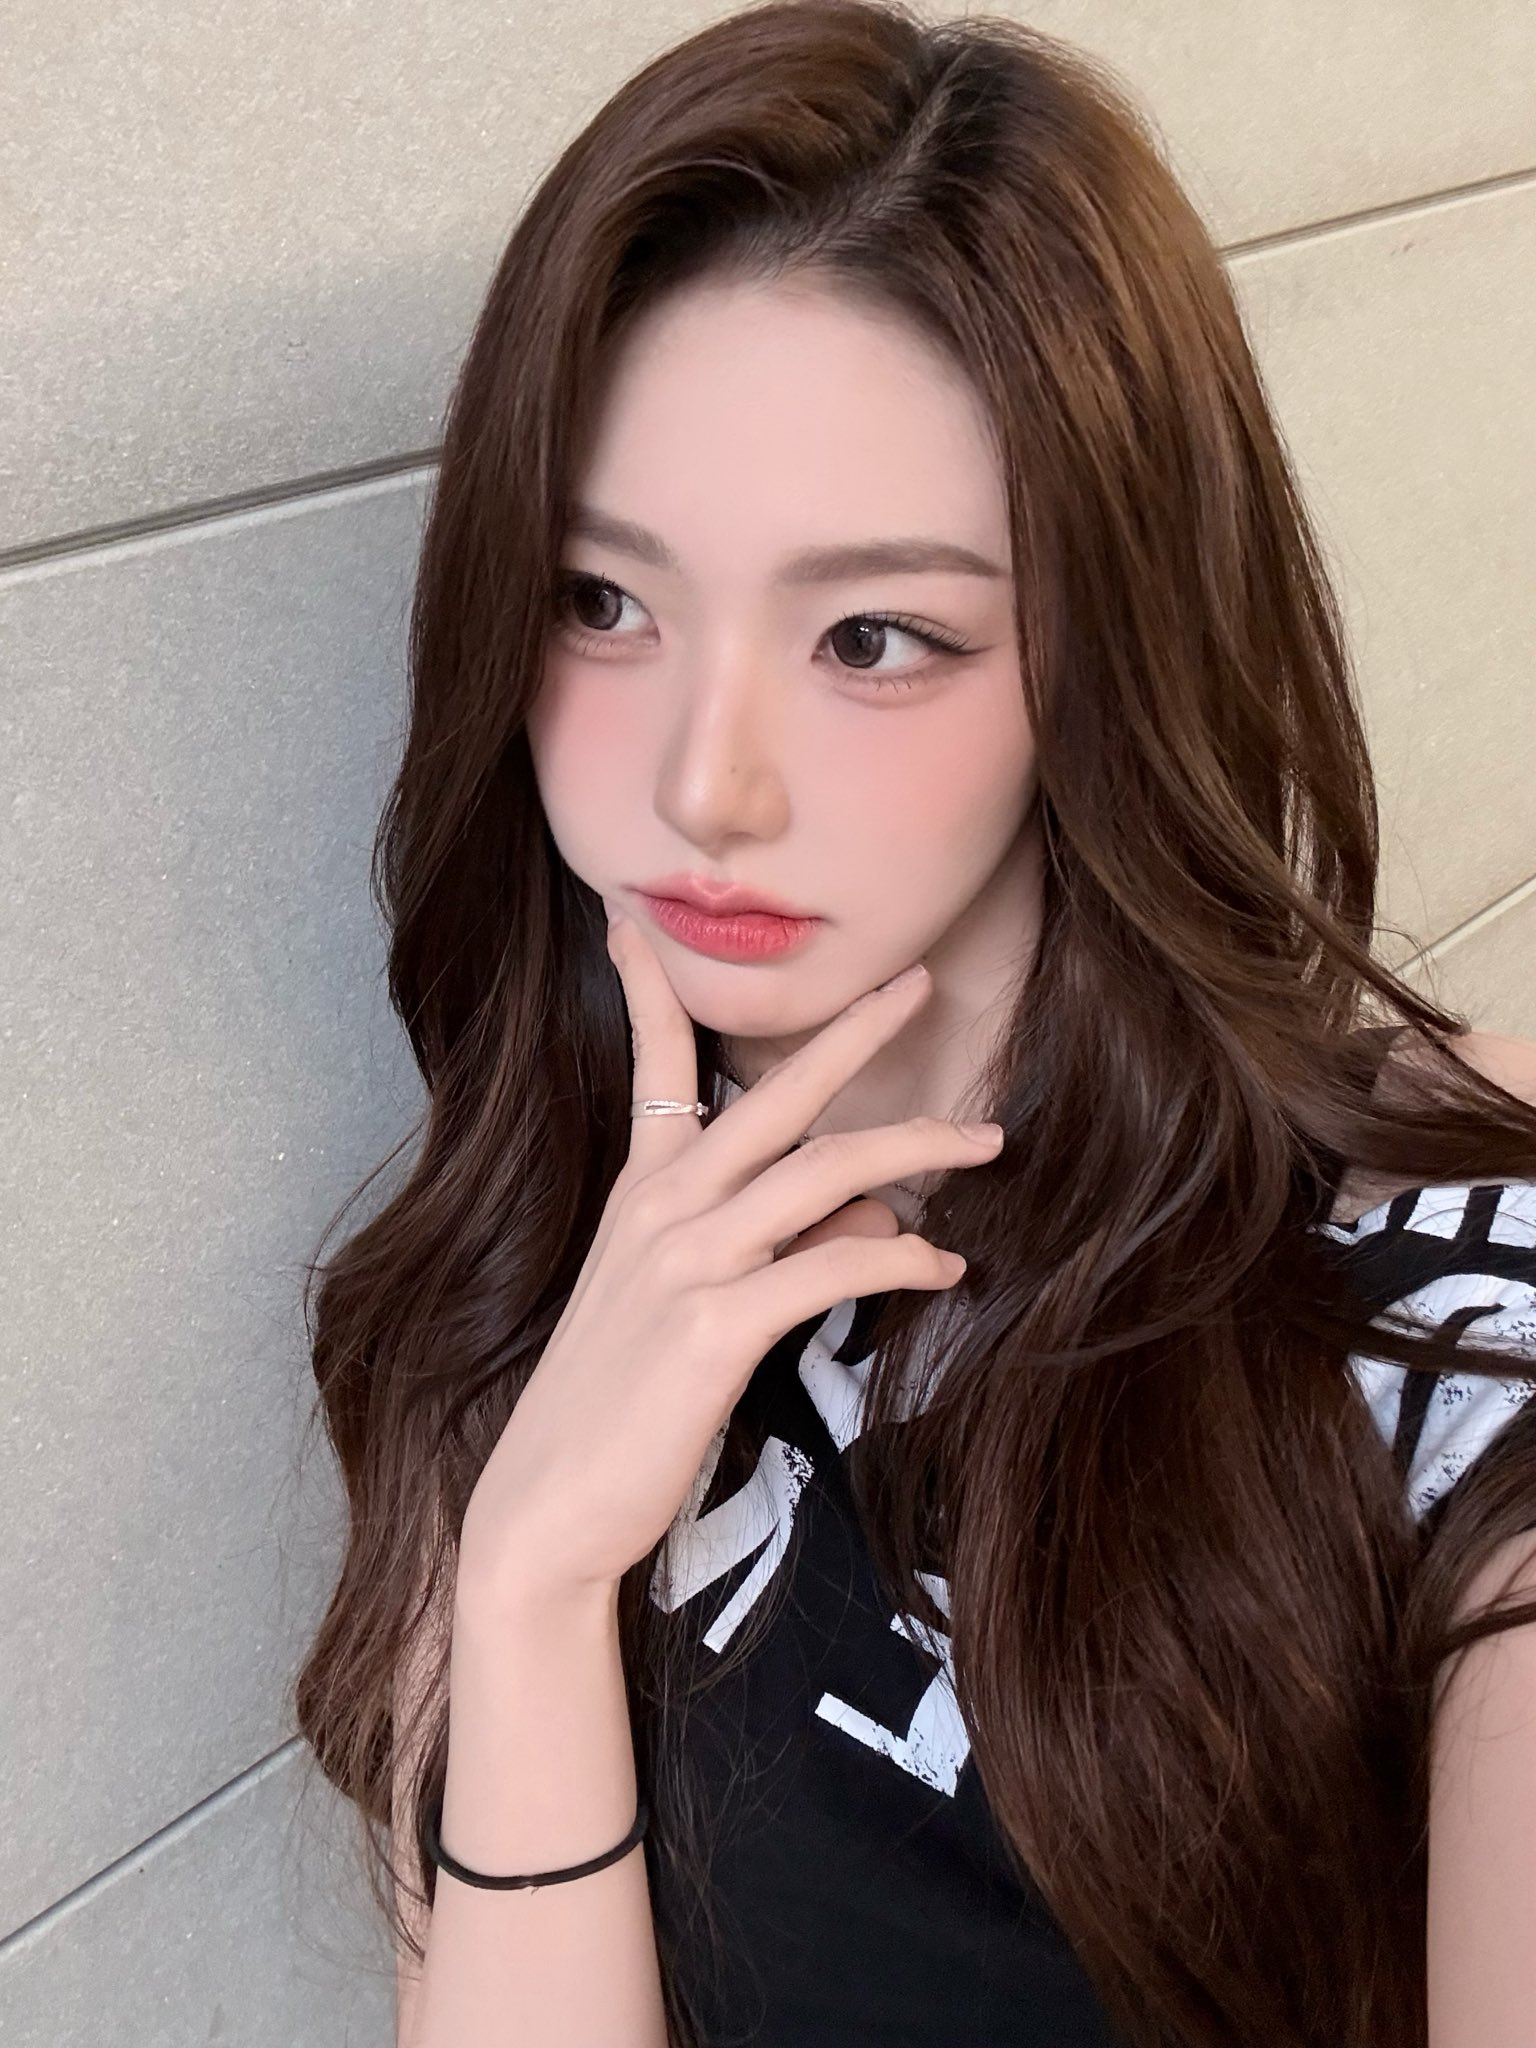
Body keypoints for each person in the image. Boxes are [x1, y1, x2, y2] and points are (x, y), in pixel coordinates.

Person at [292, 4, 1536, 2044]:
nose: (707, 784)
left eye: (874, 636)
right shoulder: (532, 1268)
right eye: (604, 600)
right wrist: (525, 1590)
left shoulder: (1441, 1328)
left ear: (1108, 656)